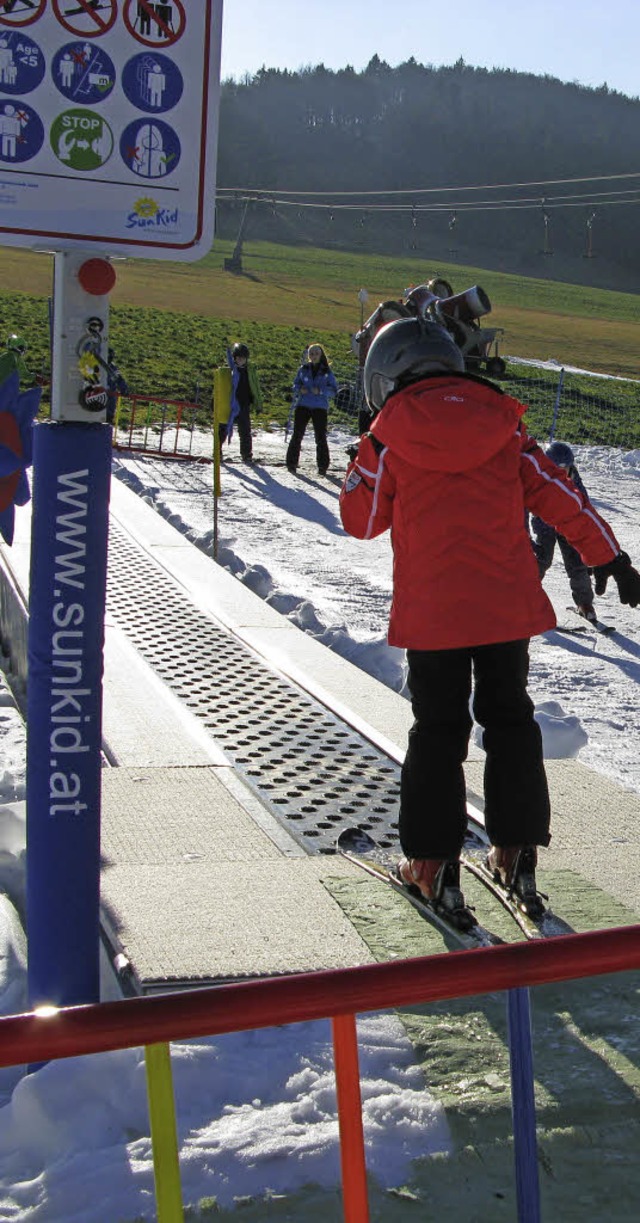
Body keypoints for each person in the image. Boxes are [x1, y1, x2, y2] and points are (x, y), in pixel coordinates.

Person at [339, 316, 640, 927]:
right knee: (510, 724)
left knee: (439, 734)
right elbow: (561, 494)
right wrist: (611, 556)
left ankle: (431, 869)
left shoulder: (389, 436)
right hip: (505, 612)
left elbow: (360, 520)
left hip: (433, 617)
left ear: (385, 374)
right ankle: (516, 856)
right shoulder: (505, 424)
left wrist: (363, 455)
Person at [529, 440, 596, 622]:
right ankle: (526, 597)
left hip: (567, 526)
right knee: (541, 561)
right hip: (545, 526)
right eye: (557, 469)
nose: (562, 473)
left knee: (577, 564)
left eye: (565, 469)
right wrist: (523, 533)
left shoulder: (574, 478)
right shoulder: (538, 476)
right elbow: (522, 504)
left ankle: (585, 604)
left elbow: (584, 503)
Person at [286, 343, 338, 475]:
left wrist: (321, 391)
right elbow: (295, 384)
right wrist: (299, 389)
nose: (314, 356)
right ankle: (291, 463)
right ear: (309, 356)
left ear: (321, 355)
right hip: (303, 405)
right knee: (297, 434)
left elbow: (333, 390)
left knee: (320, 437)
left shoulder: (327, 372)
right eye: (311, 354)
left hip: (319, 407)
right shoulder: (303, 369)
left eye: (316, 354)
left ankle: (322, 466)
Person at [221, 342, 263, 463]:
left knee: (245, 431)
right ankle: (217, 450)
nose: (240, 360)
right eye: (238, 357)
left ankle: (247, 454)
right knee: (223, 428)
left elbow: (255, 388)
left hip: (244, 405)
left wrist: (258, 403)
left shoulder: (250, 371)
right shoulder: (230, 370)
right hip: (230, 404)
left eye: (243, 358)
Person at [105, 347, 129, 425]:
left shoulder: (112, 368)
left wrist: (124, 389)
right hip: (98, 396)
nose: (110, 358)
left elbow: (119, 379)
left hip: (110, 400)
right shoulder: (97, 365)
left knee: (108, 418)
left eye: (111, 356)